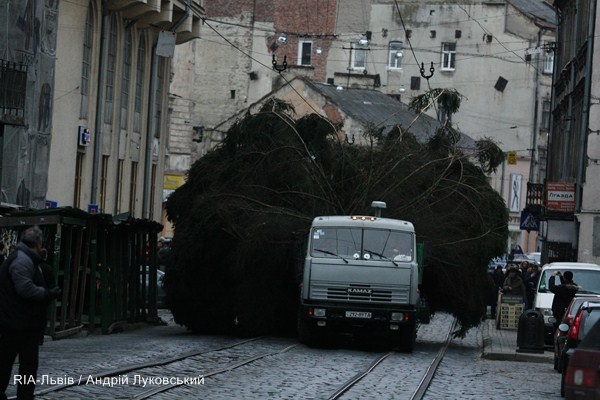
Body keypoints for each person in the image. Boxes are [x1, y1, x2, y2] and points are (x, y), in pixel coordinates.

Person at [0, 226, 61, 400]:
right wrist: (47, 294)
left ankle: (24, 396)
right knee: (16, 364)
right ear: (38, 243)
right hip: (17, 324)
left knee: (17, 364)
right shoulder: (22, 260)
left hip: (21, 324)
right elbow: (24, 289)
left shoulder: (25, 258)